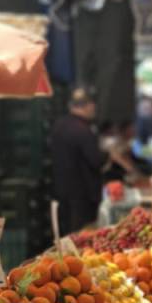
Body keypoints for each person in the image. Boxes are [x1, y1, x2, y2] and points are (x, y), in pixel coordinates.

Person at [50, 89, 105, 237]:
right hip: (82, 195)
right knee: (82, 236)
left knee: (68, 234)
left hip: (62, 191)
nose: (94, 109)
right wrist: (108, 157)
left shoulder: (59, 125)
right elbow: (96, 160)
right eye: (92, 105)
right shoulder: (83, 130)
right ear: (86, 106)